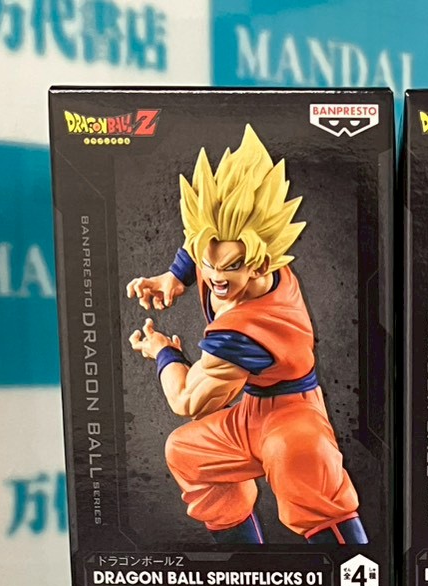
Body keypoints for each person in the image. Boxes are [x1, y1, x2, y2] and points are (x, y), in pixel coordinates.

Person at [126, 126, 367, 546]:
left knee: (307, 479)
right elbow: (206, 242)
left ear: (260, 263)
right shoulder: (238, 251)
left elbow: (188, 401)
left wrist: (163, 352)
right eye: (208, 264)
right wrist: (174, 276)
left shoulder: (244, 330)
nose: (215, 277)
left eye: (231, 267)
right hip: (252, 414)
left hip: (294, 421)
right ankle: (245, 564)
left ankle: (352, 579)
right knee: (187, 452)